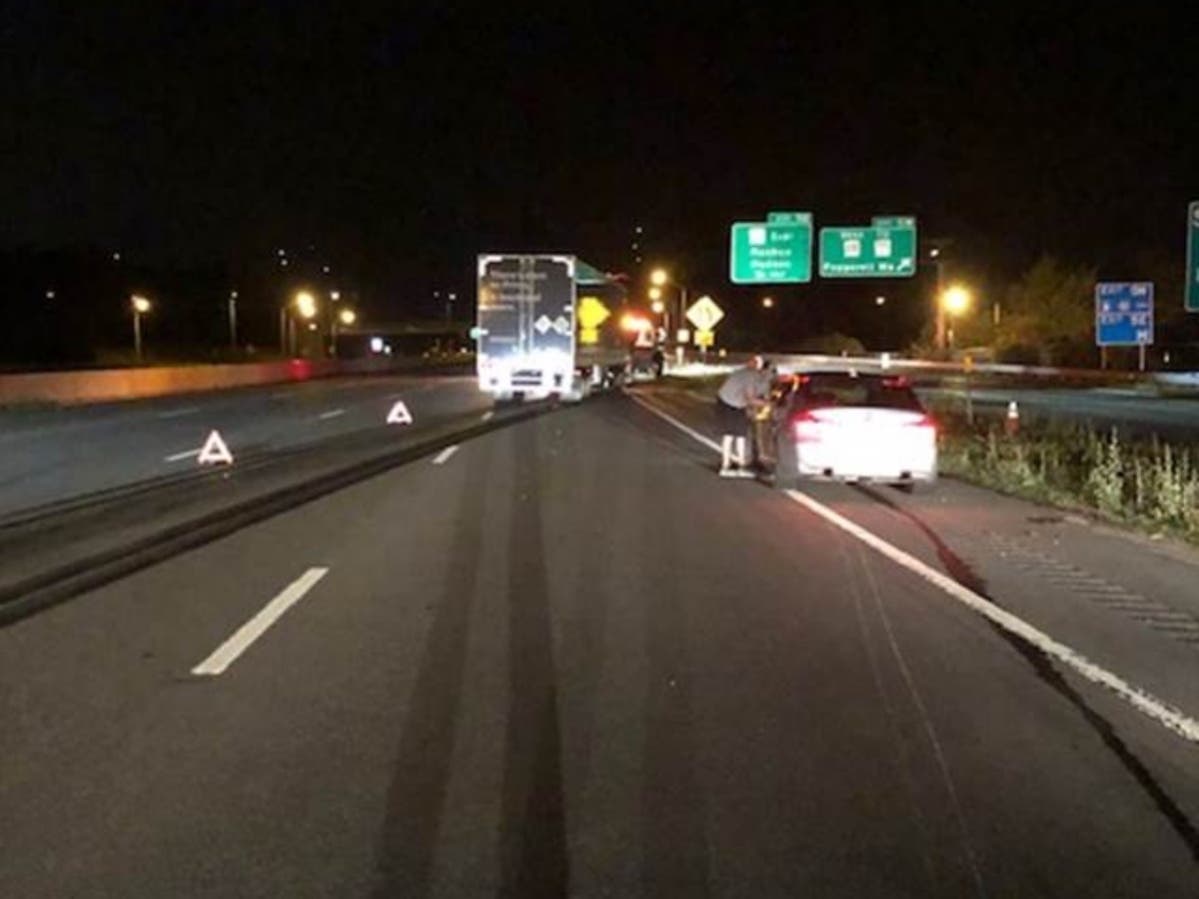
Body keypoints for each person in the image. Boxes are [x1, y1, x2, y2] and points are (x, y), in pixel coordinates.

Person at [715, 355, 771, 477]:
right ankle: (728, 466)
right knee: (733, 434)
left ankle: (735, 464)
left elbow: (759, 394)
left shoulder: (754, 376)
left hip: (734, 403)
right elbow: (750, 398)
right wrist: (768, 404)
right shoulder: (750, 375)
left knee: (738, 434)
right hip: (729, 403)